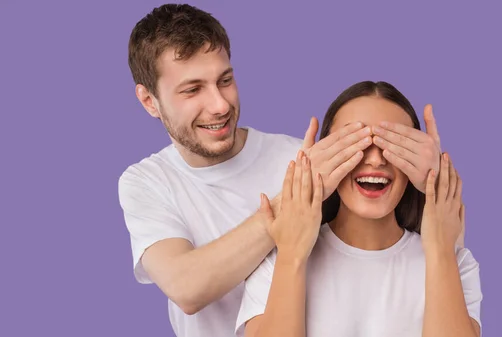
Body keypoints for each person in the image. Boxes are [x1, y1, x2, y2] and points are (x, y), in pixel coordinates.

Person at [118, 3, 449, 337]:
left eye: (225, 80)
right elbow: (187, 287)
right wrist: (299, 195)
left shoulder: (302, 156)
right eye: (192, 89)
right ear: (149, 101)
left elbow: (405, 250)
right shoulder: (146, 182)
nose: (219, 105)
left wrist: (434, 184)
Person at [235, 81, 482, 337]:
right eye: (354, 143)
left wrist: (441, 250)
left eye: (394, 144)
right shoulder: (274, 264)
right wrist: (292, 254)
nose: (375, 159)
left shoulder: (456, 265)